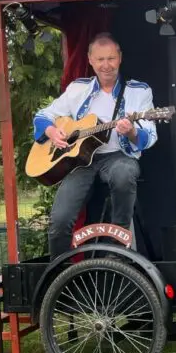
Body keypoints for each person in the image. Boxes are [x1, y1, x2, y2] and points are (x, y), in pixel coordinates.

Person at [32, 32, 158, 259]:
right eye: (100, 59)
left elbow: (150, 134)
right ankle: (59, 271)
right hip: (81, 162)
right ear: (90, 60)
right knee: (60, 220)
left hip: (118, 156)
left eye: (111, 58)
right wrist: (52, 131)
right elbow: (43, 115)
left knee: (124, 173)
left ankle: (117, 251)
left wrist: (131, 131)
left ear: (120, 58)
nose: (106, 65)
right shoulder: (77, 89)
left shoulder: (139, 91)